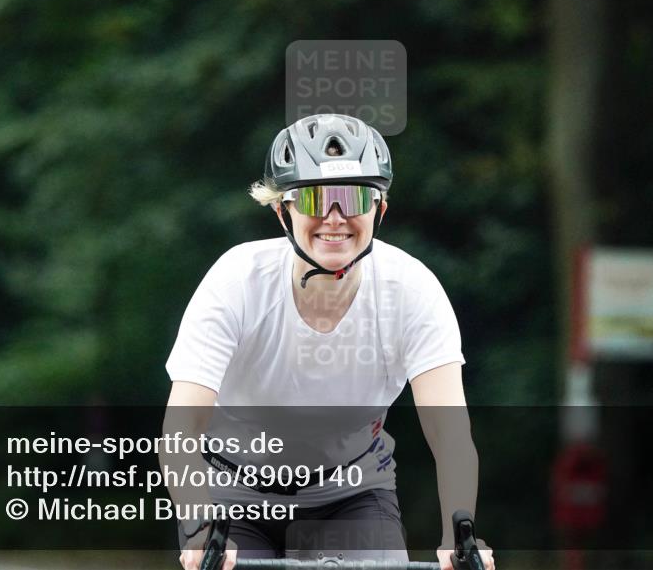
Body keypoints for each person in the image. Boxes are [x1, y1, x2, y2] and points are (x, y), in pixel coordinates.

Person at [163, 114, 494, 570]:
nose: (335, 219)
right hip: (232, 493)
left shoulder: (412, 289)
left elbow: (450, 432)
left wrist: (458, 535)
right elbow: (181, 431)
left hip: (351, 490)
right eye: (316, 199)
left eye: (353, 197)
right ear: (284, 211)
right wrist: (199, 527)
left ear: (379, 209)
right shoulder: (236, 280)